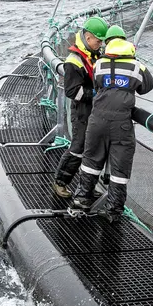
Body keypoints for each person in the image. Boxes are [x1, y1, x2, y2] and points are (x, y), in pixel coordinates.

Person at [71, 36, 153, 223]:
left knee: (91, 160)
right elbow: (147, 86)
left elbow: (97, 85)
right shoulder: (136, 67)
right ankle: (113, 210)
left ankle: (82, 198)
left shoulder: (99, 64)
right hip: (121, 124)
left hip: (97, 120)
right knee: (119, 167)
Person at [52, 16, 108, 198]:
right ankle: (60, 182)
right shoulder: (74, 61)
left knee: (94, 148)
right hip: (82, 112)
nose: (100, 44)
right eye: (98, 41)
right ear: (88, 37)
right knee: (78, 147)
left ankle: (89, 187)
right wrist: (96, 94)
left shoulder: (95, 55)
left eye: (102, 42)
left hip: (96, 111)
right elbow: (72, 91)